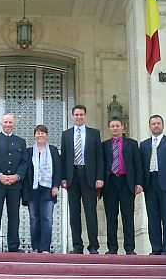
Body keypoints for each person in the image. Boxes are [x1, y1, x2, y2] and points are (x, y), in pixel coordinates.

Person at [61, 104, 104, 254]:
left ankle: (93, 246)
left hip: (89, 177)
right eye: (76, 115)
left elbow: (99, 157)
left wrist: (100, 177)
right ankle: (77, 246)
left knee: (90, 212)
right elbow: (64, 158)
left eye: (81, 115)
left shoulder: (94, 134)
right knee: (74, 213)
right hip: (73, 177)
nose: (79, 117)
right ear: (72, 116)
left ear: (85, 116)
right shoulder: (66, 134)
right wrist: (63, 178)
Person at [0, 113, 28, 252]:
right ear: (1, 123)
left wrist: (17, 176)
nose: (8, 125)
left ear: (14, 124)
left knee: (14, 216)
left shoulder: (21, 141)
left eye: (10, 122)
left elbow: (24, 162)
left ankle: (13, 246)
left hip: (15, 185)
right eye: (5, 122)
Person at [140, 115, 166, 256]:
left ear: (163, 125)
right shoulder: (144, 145)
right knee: (153, 217)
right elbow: (141, 166)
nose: (156, 126)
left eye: (158, 123)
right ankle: (156, 248)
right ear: (150, 126)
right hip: (150, 183)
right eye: (153, 124)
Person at [102, 117, 143, 255]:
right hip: (110, 184)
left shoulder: (132, 144)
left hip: (127, 183)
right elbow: (101, 166)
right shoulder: (104, 145)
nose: (115, 128)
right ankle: (112, 248)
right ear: (109, 128)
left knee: (127, 216)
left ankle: (130, 248)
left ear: (122, 127)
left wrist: (138, 183)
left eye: (117, 126)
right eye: (112, 126)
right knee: (111, 217)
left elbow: (138, 165)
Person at [22, 125, 61, 253]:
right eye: (38, 133)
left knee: (47, 218)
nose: (40, 135)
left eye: (43, 133)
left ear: (47, 135)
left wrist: (56, 185)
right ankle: (36, 246)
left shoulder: (53, 150)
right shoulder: (28, 151)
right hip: (32, 189)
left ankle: (45, 248)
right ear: (34, 135)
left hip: (48, 189)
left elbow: (58, 169)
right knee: (34, 219)